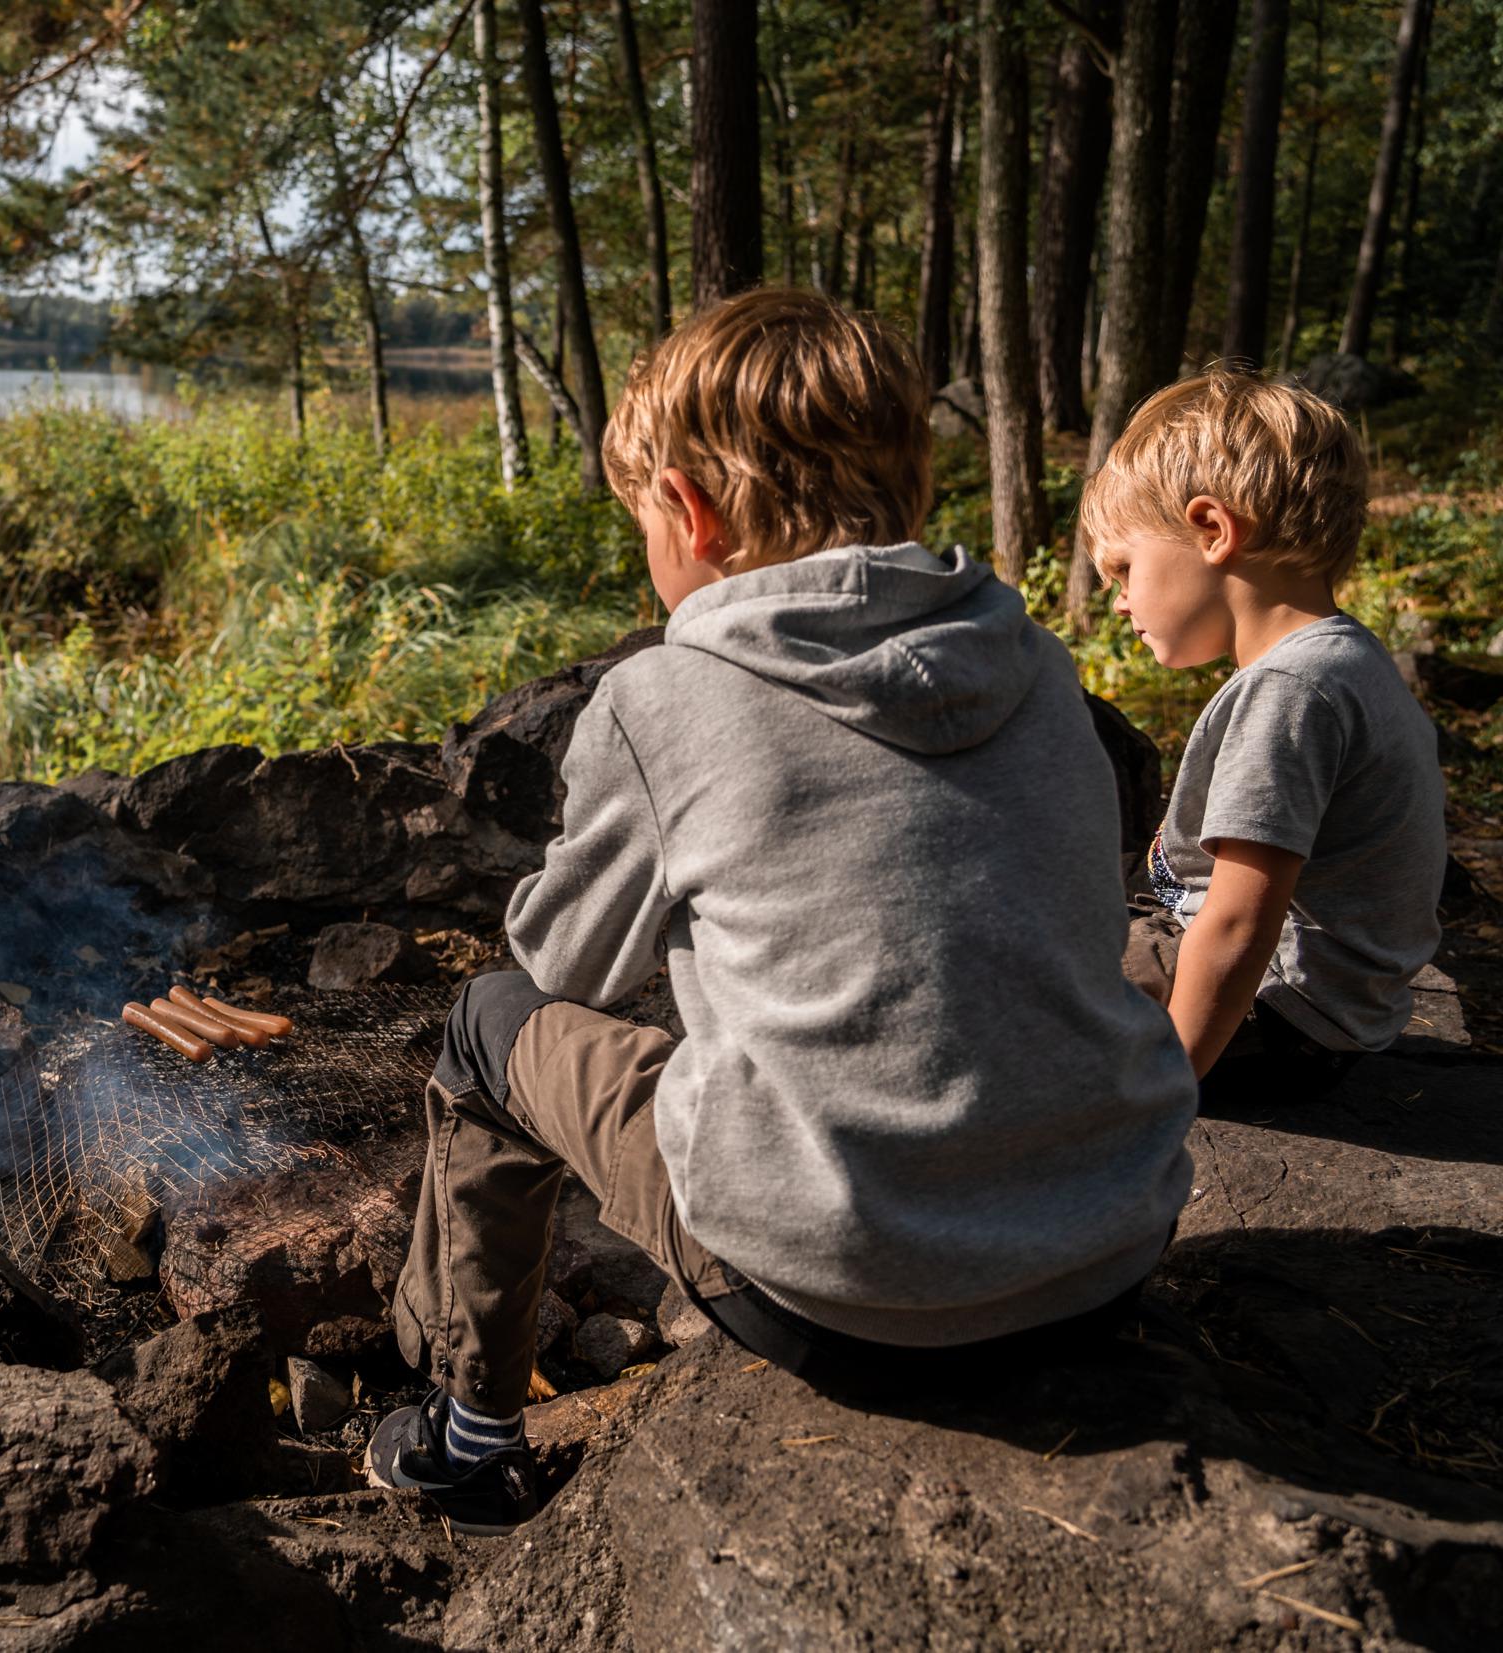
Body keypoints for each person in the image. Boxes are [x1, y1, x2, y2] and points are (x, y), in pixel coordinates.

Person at [365, 289, 1197, 1536]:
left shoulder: (667, 695)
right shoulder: (1039, 666)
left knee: (487, 1024)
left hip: (840, 1297)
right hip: (1103, 1254)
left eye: (642, 519)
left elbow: (561, 970)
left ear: (689, 511)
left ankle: (466, 1435)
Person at [1086, 371, 1446, 1103]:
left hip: (1275, 1014)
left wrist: (1167, 1085)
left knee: (1013, 964)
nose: (1119, 601)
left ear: (1213, 531)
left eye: (1124, 569)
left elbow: (1240, 920)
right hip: (1320, 1014)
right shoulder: (1346, 658)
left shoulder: (1291, 690)